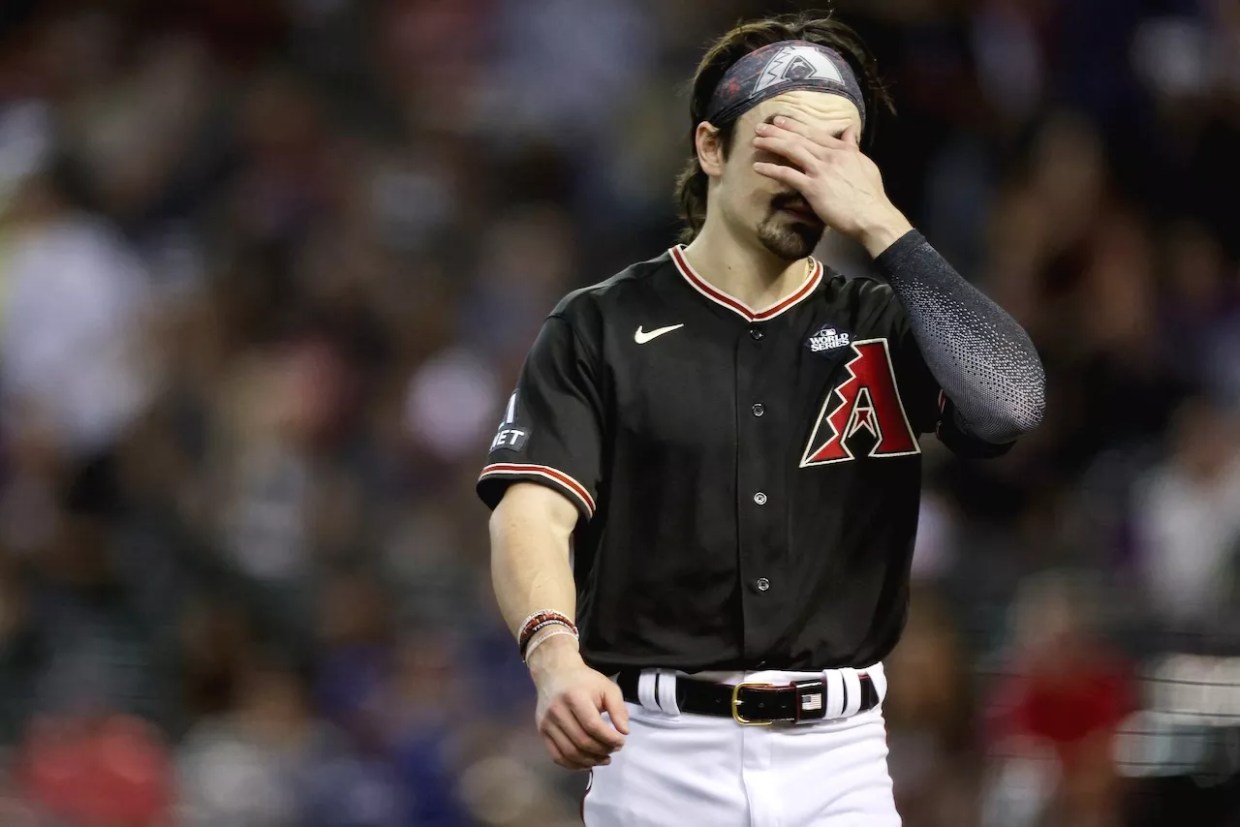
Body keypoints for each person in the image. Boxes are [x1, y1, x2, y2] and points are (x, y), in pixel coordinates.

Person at [478, 12, 1045, 826]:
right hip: (659, 752)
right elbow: (533, 507)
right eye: (785, 147)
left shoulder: (886, 322)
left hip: (841, 757)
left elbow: (1012, 404)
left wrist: (888, 226)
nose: (813, 177)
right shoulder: (600, 326)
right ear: (711, 149)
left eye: (839, 152)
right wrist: (553, 651)